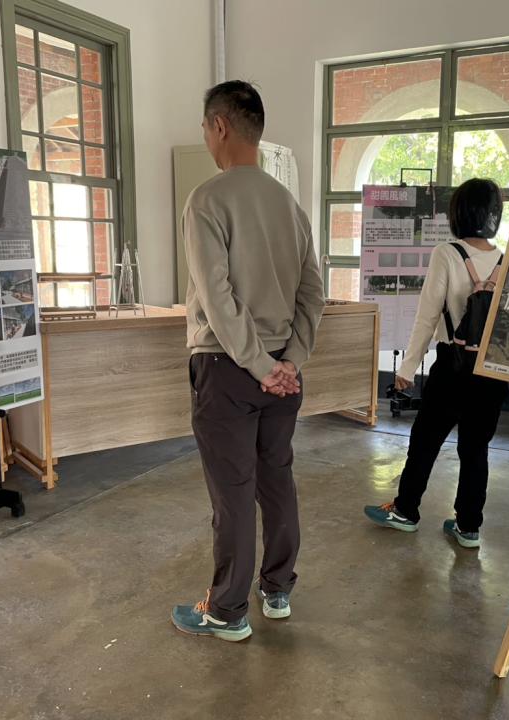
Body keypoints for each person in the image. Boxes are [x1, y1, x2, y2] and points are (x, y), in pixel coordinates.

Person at [171, 81, 325, 642]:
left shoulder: (207, 200)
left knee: (233, 492)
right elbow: (313, 293)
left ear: (219, 127)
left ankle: (227, 611)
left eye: (205, 128)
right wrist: (290, 361)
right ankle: (277, 589)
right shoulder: (291, 207)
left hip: (227, 369)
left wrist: (259, 365)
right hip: (283, 371)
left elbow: (217, 298)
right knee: (276, 478)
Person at [364, 179, 509, 549]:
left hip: (452, 367)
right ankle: (469, 527)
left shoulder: (447, 253)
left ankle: (406, 511)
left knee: (425, 442)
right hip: (492, 371)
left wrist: (406, 369)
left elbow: (427, 317)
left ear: (459, 213)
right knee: (476, 450)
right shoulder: (506, 259)